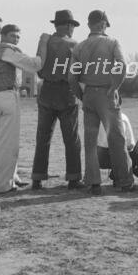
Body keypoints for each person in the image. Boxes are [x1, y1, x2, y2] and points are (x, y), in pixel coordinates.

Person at [68, 10, 135, 195]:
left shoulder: (79, 47)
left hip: (88, 93)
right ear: (104, 24)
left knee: (90, 141)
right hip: (106, 93)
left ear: (89, 24)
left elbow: (72, 77)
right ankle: (125, 181)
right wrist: (114, 87)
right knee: (116, 138)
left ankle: (93, 182)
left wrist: (82, 95)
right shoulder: (112, 42)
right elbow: (121, 65)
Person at [0, 24, 48, 193]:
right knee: (8, 144)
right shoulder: (7, 51)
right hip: (6, 96)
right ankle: (1, 186)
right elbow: (34, 65)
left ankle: (11, 178)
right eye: (13, 36)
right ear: (4, 36)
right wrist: (42, 45)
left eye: (18, 37)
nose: (16, 39)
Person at [31, 10, 83, 191]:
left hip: (46, 91)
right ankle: (74, 178)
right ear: (69, 25)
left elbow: (38, 70)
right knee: (71, 138)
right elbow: (77, 73)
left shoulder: (45, 42)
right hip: (66, 92)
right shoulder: (74, 45)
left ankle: (37, 178)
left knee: (43, 137)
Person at [97, 96, 135, 182]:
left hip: (100, 157)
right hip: (118, 157)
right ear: (119, 104)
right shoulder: (123, 117)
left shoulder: (98, 117)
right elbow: (131, 143)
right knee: (129, 152)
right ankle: (121, 178)